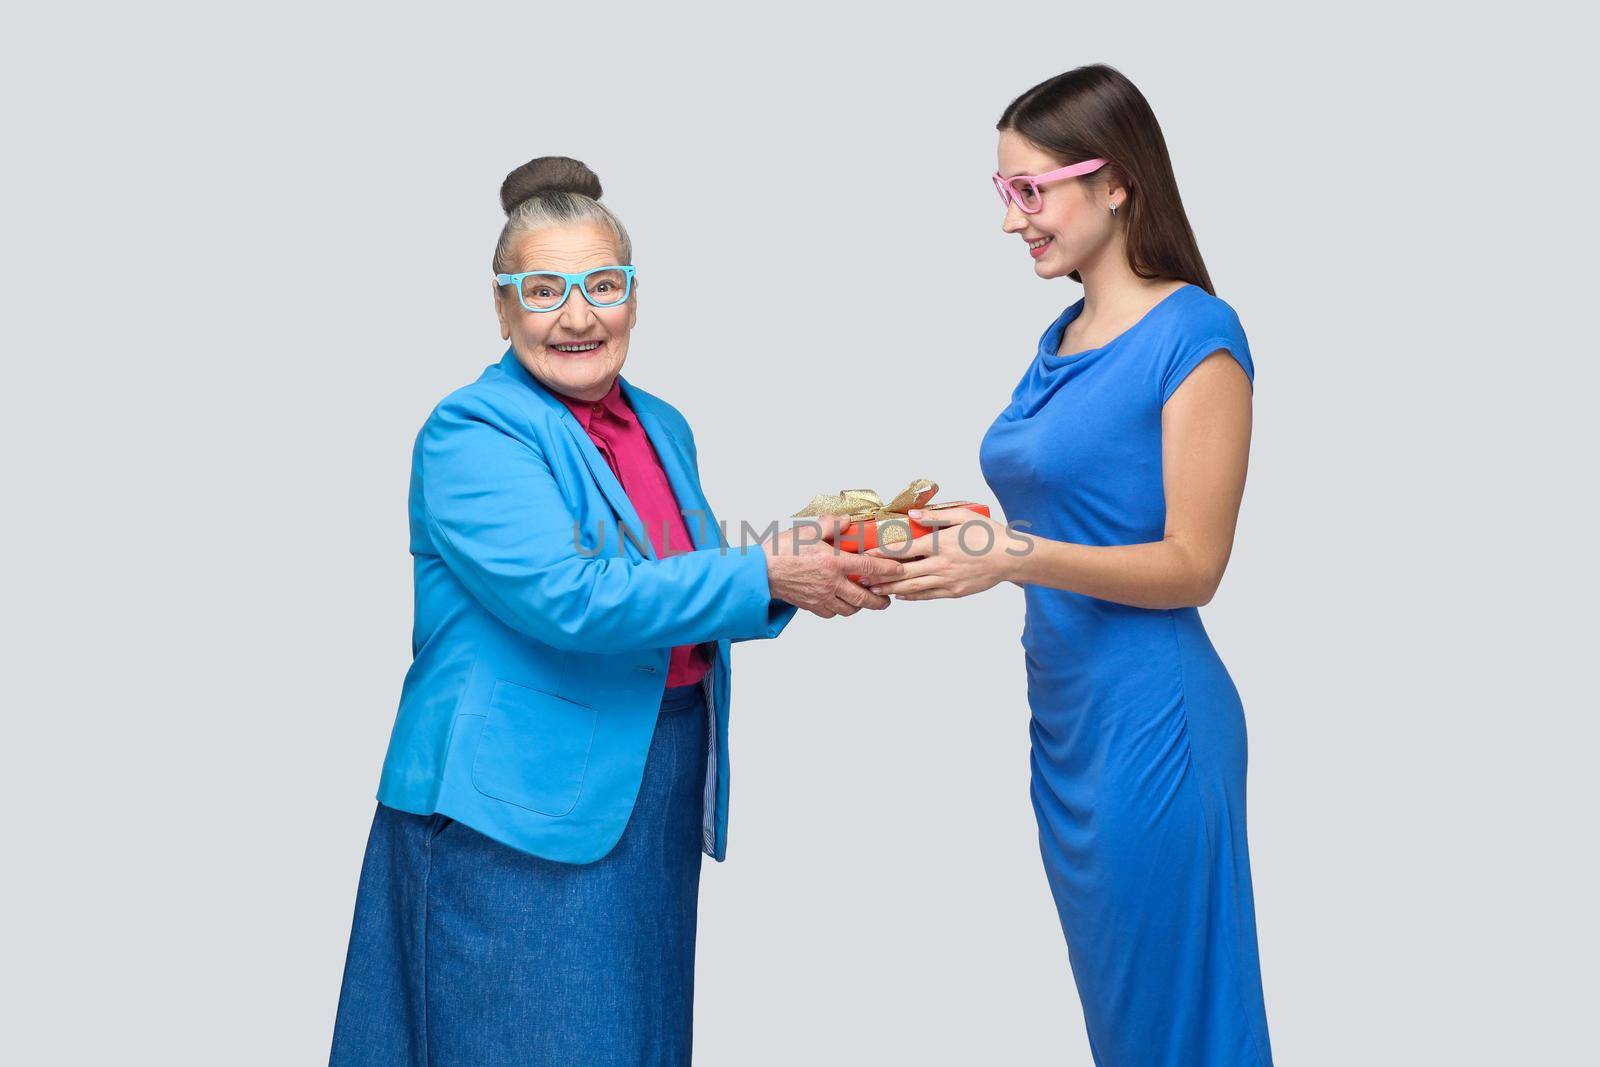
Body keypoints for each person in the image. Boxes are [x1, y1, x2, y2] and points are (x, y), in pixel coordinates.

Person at [328, 156, 903, 1066]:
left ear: (634, 295)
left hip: (651, 786)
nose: (578, 314)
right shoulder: (472, 431)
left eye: (603, 284)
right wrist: (767, 571)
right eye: (544, 289)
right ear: (502, 305)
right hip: (514, 813)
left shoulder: (661, 424)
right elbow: (575, 598)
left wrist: (819, 558)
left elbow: (684, 577)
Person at [867, 66, 1274, 1065]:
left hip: (1154, 719)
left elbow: (1192, 563)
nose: (1012, 221)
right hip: (1067, 723)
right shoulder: (1060, 335)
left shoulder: (1194, 335)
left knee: (1180, 1024)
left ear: (1117, 180)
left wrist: (1009, 555)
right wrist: (937, 535)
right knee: (1125, 1027)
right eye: (1002, 192)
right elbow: (1055, 509)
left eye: (1030, 191)